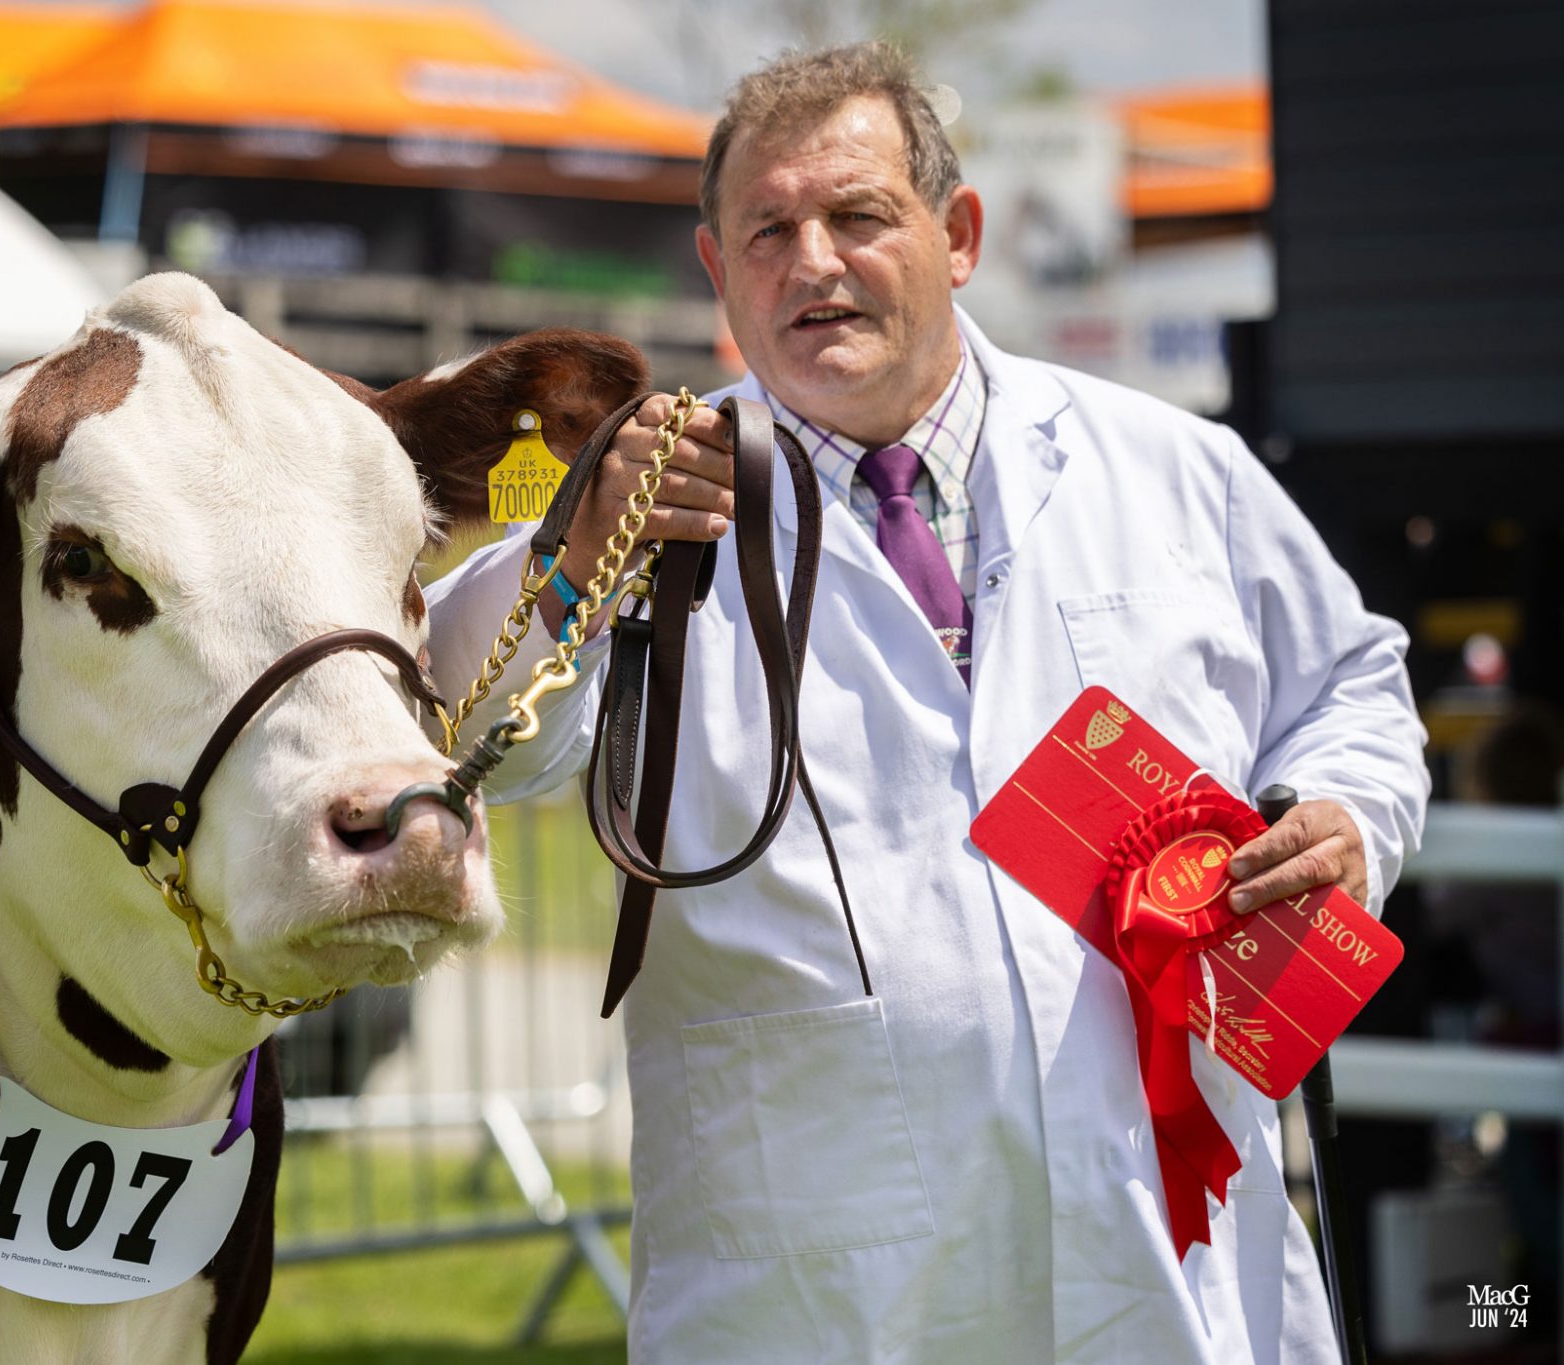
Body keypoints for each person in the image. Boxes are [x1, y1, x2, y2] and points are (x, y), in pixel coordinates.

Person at [424, 41, 1428, 1363]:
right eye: (769, 231)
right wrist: (570, 559)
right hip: (814, 1279)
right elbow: (463, 735)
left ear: (956, 234)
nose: (815, 263)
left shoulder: (1176, 470)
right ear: (720, 273)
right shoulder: (646, 502)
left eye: (858, 216)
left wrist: (1346, 814)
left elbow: (1353, 681)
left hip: (1163, 1254)